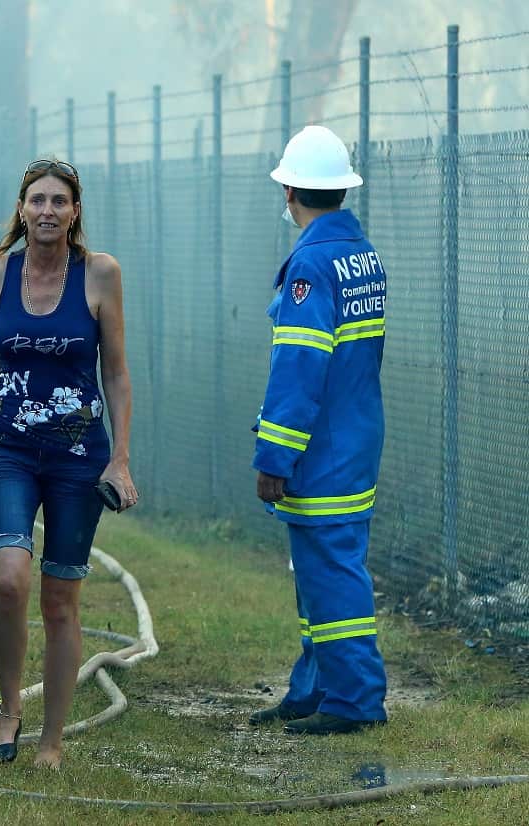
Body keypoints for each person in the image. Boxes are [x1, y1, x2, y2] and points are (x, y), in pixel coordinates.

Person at [0, 159, 137, 768]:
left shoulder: (100, 274)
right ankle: (9, 710)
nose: (48, 210)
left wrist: (121, 460)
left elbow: (116, 374)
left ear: (75, 211)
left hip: (79, 458)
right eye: (38, 200)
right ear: (22, 209)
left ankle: (52, 740)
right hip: (9, 449)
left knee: (59, 599)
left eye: (59, 201)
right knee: (9, 578)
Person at [249, 124, 388, 735]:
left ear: (289, 192)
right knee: (319, 570)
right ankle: (314, 687)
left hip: (321, 449)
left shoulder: (310, 264)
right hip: (353, 437)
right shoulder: (361, 254)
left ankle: (354, 700)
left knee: (331, 572)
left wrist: (273, 455)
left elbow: (299, 369)